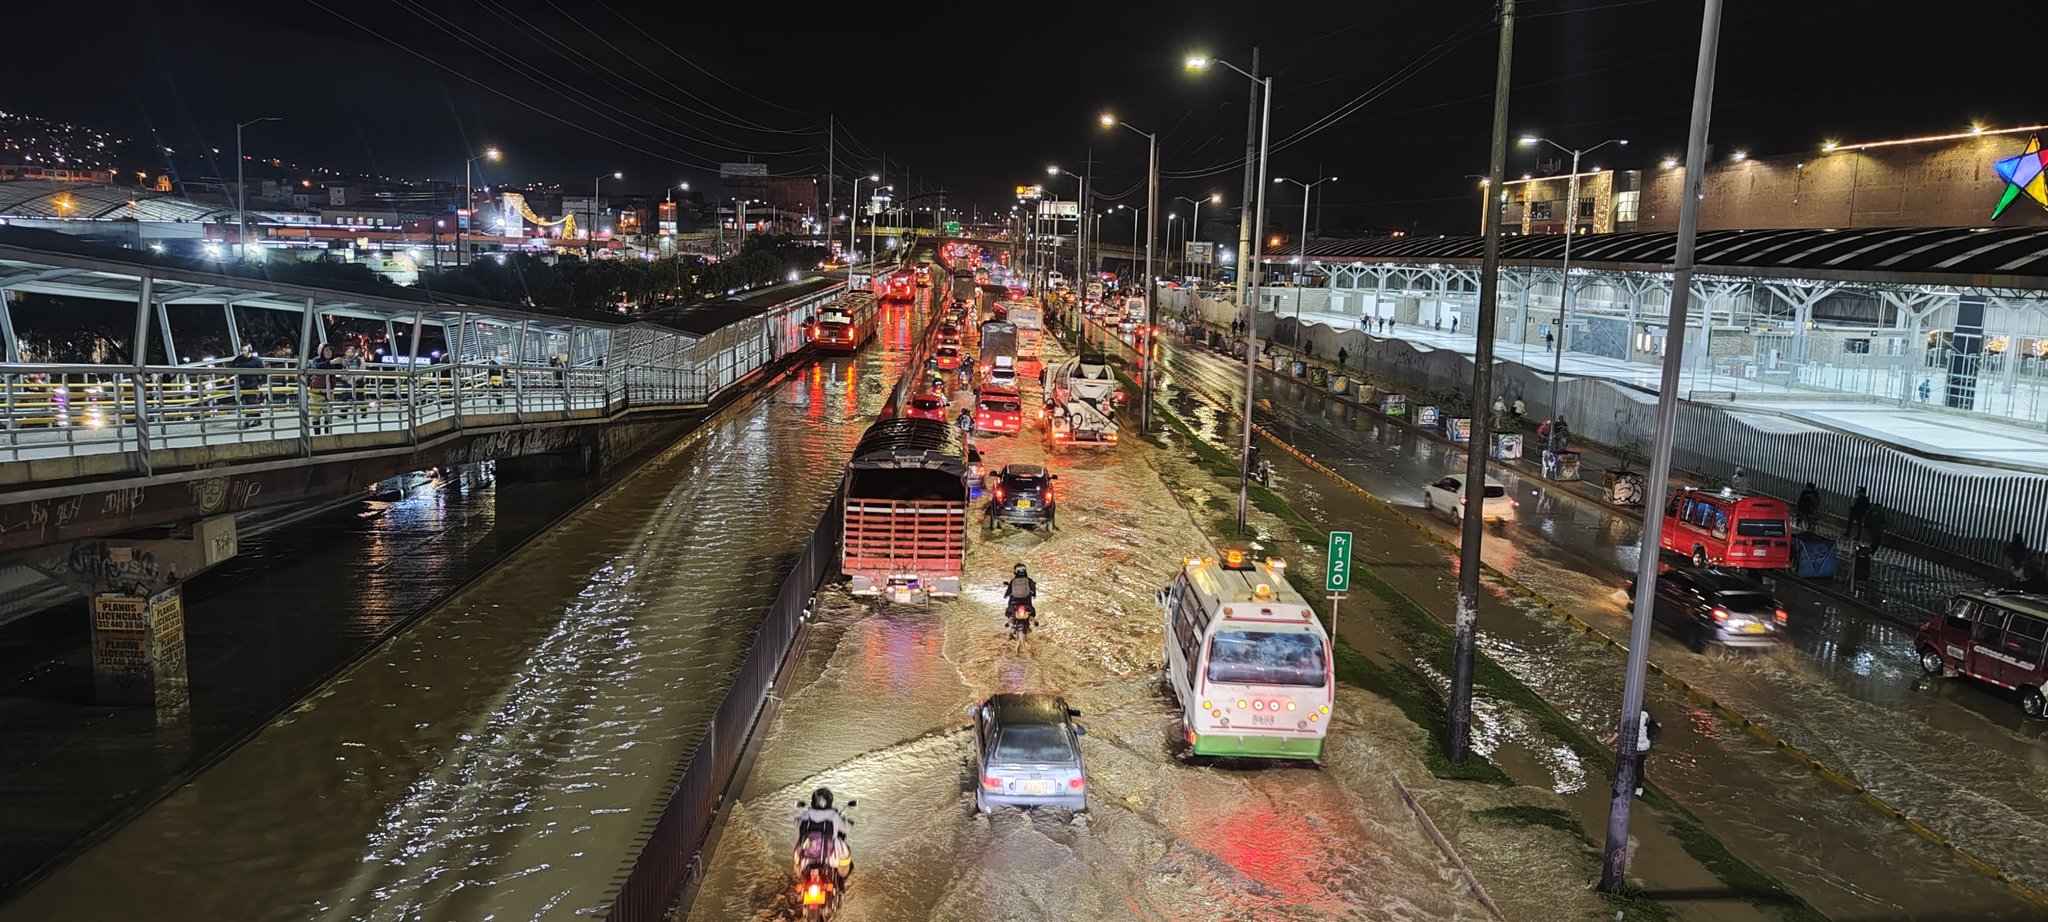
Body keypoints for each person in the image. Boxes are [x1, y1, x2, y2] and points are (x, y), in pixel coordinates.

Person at [793, 787, 852, 883]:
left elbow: (797, 823)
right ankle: (843, 876)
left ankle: (799, 876)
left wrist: (798, 819)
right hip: (830, 856)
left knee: (797, 855)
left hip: (807, 852)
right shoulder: (834, 815)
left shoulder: (806, 814)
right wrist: (849, 823)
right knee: (846, 852)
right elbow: (846, 829)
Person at [1606, 709, 1660, 797]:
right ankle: (1634, 785)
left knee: (1634, 765)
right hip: (1638, 746)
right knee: (1634, 765)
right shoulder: (1645, 714)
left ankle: (1636, 785)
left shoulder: (1635, 715)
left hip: (1639, 746)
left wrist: (1612, 738)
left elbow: (1622, 726)